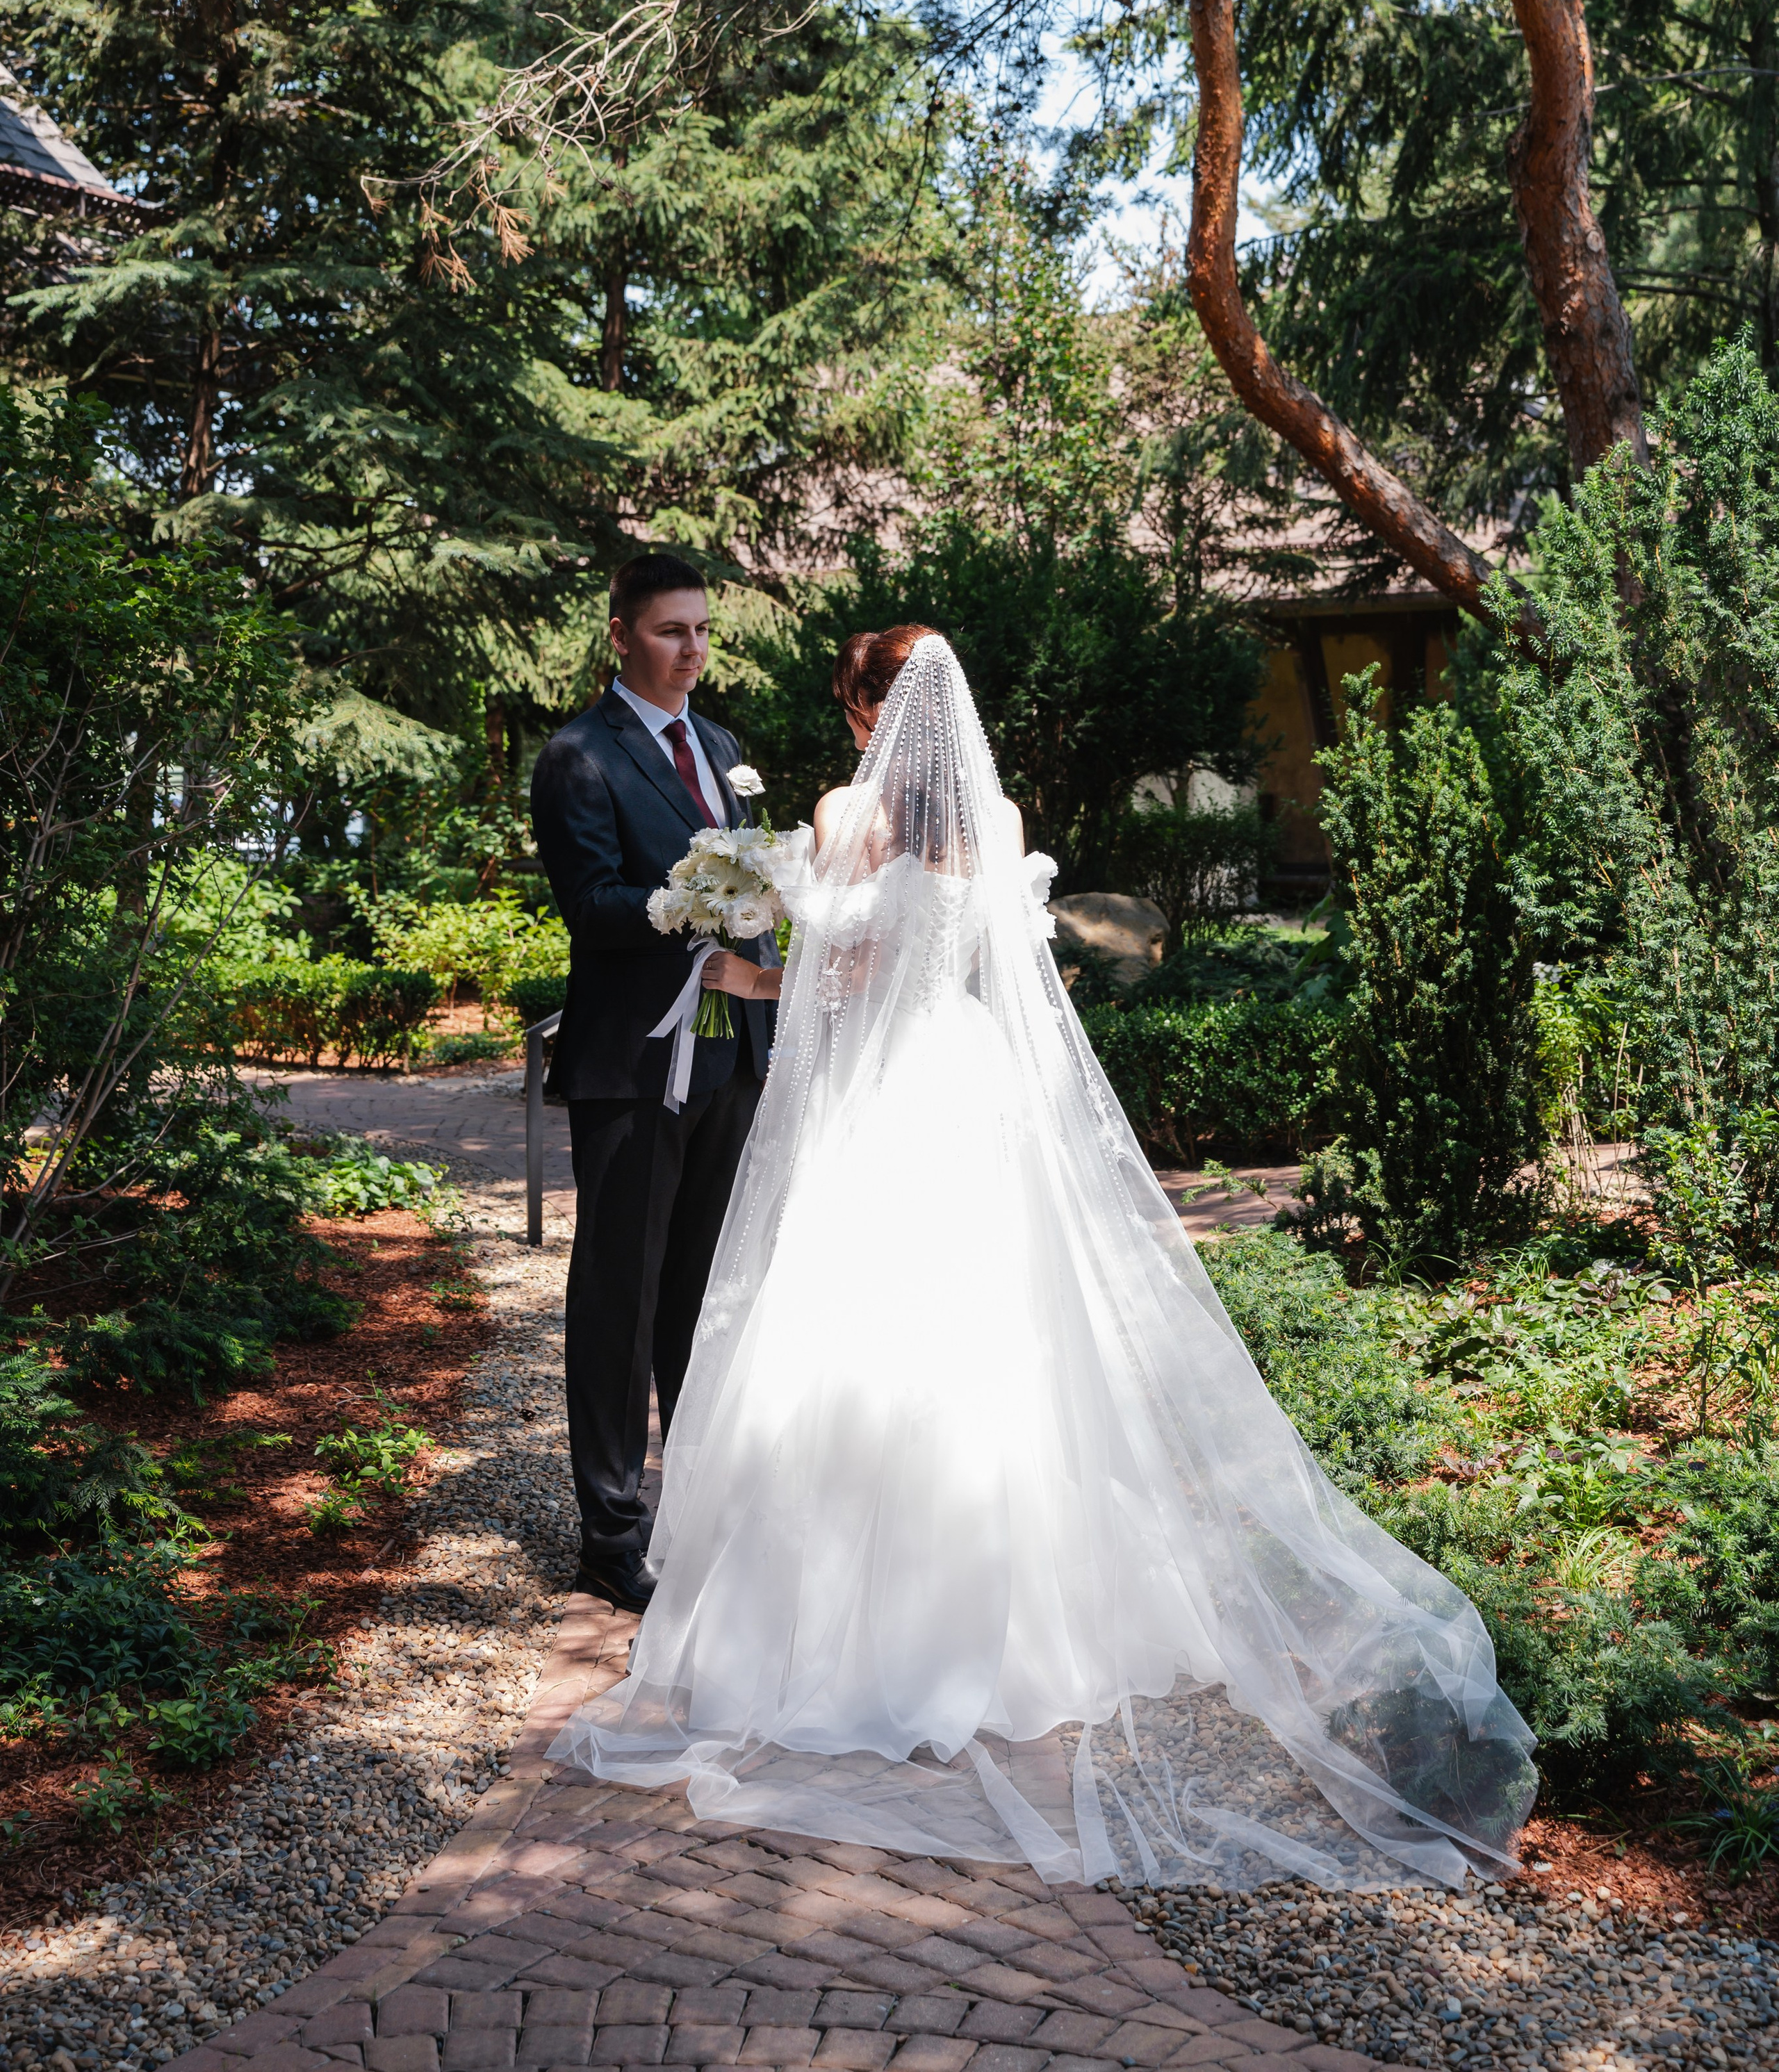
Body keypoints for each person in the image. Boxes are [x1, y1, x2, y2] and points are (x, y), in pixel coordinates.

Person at [547, 626, 1537, 1890]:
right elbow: (1009, 976)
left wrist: (751, 952)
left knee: (861, 1335)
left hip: (884, 1099)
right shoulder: (1001, 821)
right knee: (1002, 1343)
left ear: (868, 710)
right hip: (976, 1088)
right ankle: (1028, 1624)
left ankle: (851, 1627)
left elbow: (830, 985)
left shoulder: (845, 810)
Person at [529, 551, 782, 1614]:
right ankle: (611, 1532)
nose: (695, 650)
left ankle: (697, 1512)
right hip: (632, 1064)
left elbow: (760, 870)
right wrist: (684, 905)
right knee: (621, 1298)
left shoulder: (721, 748)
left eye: (704, 630)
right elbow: (587, 904)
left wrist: (762, 909)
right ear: (624, 637)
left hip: (727, 1058)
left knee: (701, 1295)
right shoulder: (578, 756)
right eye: (674, 631)